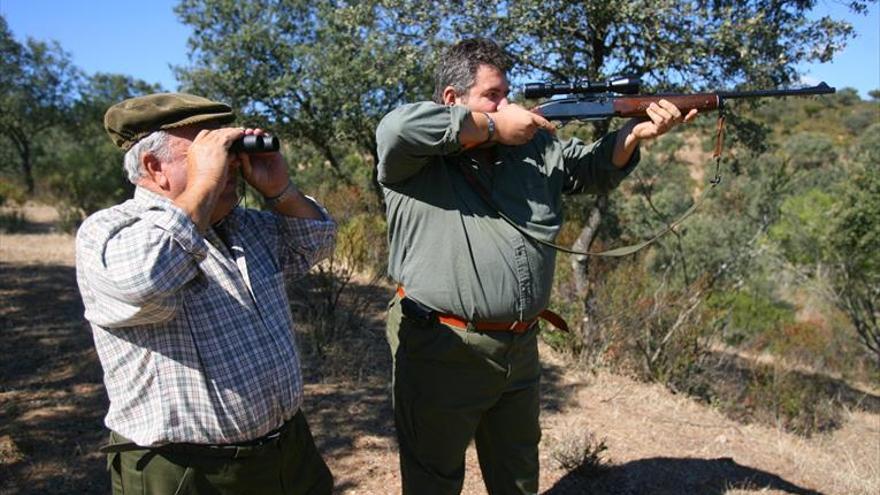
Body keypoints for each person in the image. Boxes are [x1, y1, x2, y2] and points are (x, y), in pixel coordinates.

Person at [375, 38, 696, 494]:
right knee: (434, 478)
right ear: (452, 99)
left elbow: (588, 169)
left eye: (506, 94)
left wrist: (633, 136)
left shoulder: (532, 147)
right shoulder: (415, 156)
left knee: (518, 474)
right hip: (440, 346)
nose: (507, 104)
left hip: (520, 348)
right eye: (492, 95)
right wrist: (492, 127)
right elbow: (395, 128)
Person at [75, 93, 336, 494]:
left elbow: (315, 243)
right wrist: (204, 185)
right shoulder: (109, 232)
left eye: (228, 150)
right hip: (186, 471)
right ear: (153, 166)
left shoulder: (242, 224)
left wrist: (280, 189)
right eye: (205, 152)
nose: (228, 164)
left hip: (287, 451)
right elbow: (146, 281)